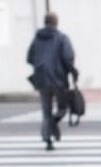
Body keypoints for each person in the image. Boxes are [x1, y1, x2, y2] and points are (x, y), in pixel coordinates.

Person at [26, 12, 76, 152]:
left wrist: (39, 65)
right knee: (62, 108)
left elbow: (29, 57)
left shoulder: (37, 38)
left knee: (46, 111)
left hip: (41, 79)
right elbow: (69, 58)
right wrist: (70, 71)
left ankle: (48, 137)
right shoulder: (62, 38)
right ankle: (53, 124)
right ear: (56, 22)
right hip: (58, 79)